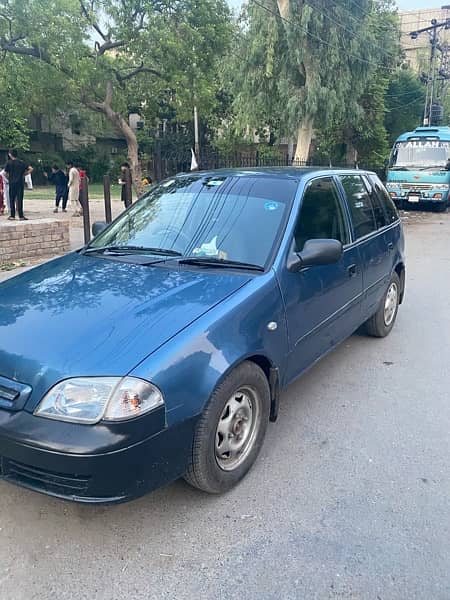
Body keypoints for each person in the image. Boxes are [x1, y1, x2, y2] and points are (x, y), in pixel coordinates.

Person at [4, 149, 33, 221]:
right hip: (20, 183)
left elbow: (5, 173)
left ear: (10, 154)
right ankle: (21, 216)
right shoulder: (21, 162)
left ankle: (12, 215)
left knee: (12, 199)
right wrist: (24, 174)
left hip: (12, 183)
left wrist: (9, 177)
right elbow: (31, 169)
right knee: (20, 199)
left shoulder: (9, 163)